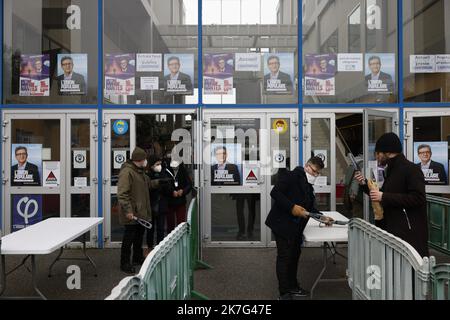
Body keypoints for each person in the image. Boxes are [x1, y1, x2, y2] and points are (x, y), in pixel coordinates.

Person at [265, 156, 332, 300]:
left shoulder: (307, 184)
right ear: (307, 166)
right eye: (314, 171)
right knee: (284, 257)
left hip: (295, 227)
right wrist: (292, 207)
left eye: (318, 173)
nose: (315, 175)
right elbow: (275, 193)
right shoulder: (291, 176)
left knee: (294, 255)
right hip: (282, 224)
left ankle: (293, 286)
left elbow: (309, 207)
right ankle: (284, 294)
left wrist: (322, 217)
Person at [354, 132, 429, 257]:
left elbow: (418, 198)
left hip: (410, 235)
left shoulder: (411, 169)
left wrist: (383, 196)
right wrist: (363, 183)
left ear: (388, 152)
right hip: (395, 231)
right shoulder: (392, 169)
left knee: (411, 273)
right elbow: (382, 194)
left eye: (378, 153)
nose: (377, 157)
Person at [117, 147, 159, 274]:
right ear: (139, 160)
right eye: (145, 159)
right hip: (132, 213)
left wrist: (159, 182)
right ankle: (124, 263)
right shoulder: (127, 172)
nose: (146, 161)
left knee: (139, 236)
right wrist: (128, 211)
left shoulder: (139, 172)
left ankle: (137, 257)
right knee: (128, 238)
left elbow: (147, 184)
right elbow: (123, 194)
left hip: (140, 213)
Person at [146, 155, 171, 252]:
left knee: (161, 229)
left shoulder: (164, 174)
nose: (159, 166)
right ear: (152, 165)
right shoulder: (147, 176)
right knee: (150, 229)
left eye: (160, 164)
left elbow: (169, 190)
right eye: (157, 164)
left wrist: (165, 186)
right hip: (151, 206)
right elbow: (146, 190)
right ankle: (149, 247)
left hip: (161, 206)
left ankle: (159, 248)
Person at [165, 159, 192, 233]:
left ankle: (182, 240)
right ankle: (170, 240)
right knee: (170, 223)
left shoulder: (183, 170)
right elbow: (164, 185)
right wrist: (171, 192)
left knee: (181, 223)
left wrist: (183, 191)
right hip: (169, 202)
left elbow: (189, 184)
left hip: (181, 201)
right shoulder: (166, 171)